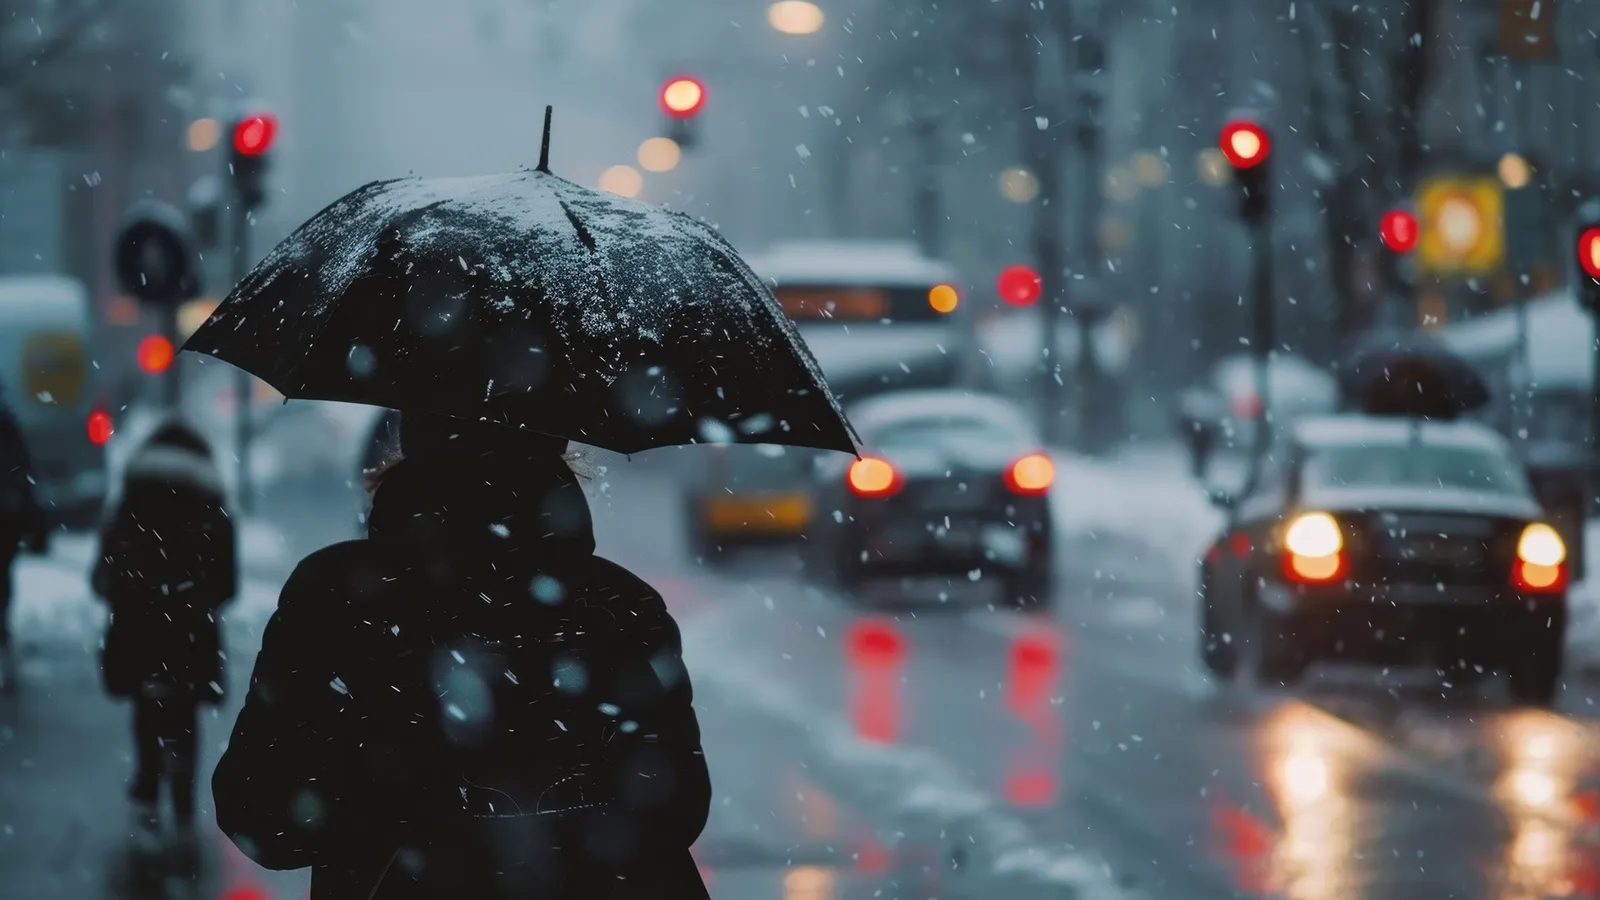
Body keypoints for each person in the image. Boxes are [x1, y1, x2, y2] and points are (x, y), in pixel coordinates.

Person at [214, 412, 712, 899]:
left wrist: (392, 812)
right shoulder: (620, 607)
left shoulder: (337, 597)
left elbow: (263, 818)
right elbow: (676, 809)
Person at [93, 419, 236, 852]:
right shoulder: (211, 505)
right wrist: (194, 602)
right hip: (190, 634)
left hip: (137, 628)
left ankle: (147, 790)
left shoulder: (131, 500)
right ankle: (183, 799)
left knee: (145, 704)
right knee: (184, 712)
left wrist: (131, 597)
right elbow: (227, 582)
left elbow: (104, 573)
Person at [0, 391, 49, 687]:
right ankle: (4, 643)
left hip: (6, 516)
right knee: (3, 584)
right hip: (6, 516)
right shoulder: (8, 425)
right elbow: (23, 473)